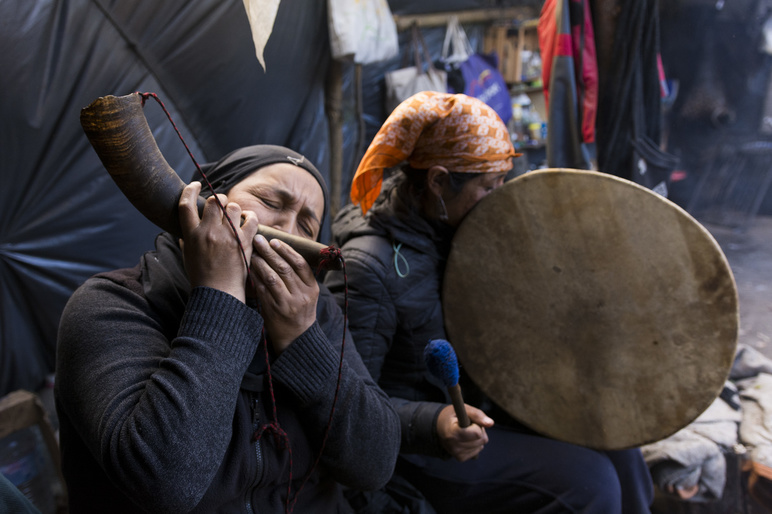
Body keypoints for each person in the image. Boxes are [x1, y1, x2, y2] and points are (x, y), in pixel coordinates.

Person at [324, 92, 654, 513]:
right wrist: (435, 424)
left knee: (620, 447)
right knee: (589, 482)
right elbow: (348, 405)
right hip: (419, 447)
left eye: (504, 182)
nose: (501, 198)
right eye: (488, 186)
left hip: (487, 407)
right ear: (438, 181)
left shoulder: (468, 232)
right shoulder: (370, 267)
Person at [55, 145, 401, 513]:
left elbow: (375, 464)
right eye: (269, 200)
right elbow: (167, 483)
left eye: (306, 225)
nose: (285, 230)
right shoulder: (110, 305)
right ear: (209, 202)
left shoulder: (316, 313)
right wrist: (220, 295)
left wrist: (303, 340)